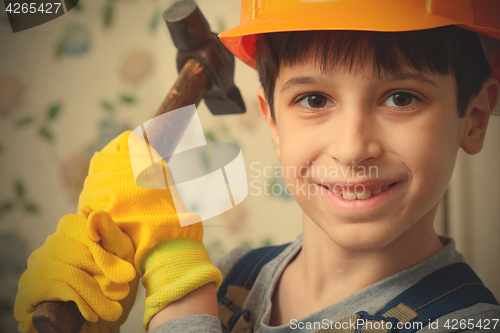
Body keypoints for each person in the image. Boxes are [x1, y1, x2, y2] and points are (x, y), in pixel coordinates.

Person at [14, 1, 500, 333]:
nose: (353, 149)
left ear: (473, 119)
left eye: (401, 97)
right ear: (272, 121)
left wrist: (175, 280)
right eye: (313, 99)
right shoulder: (232, 277)